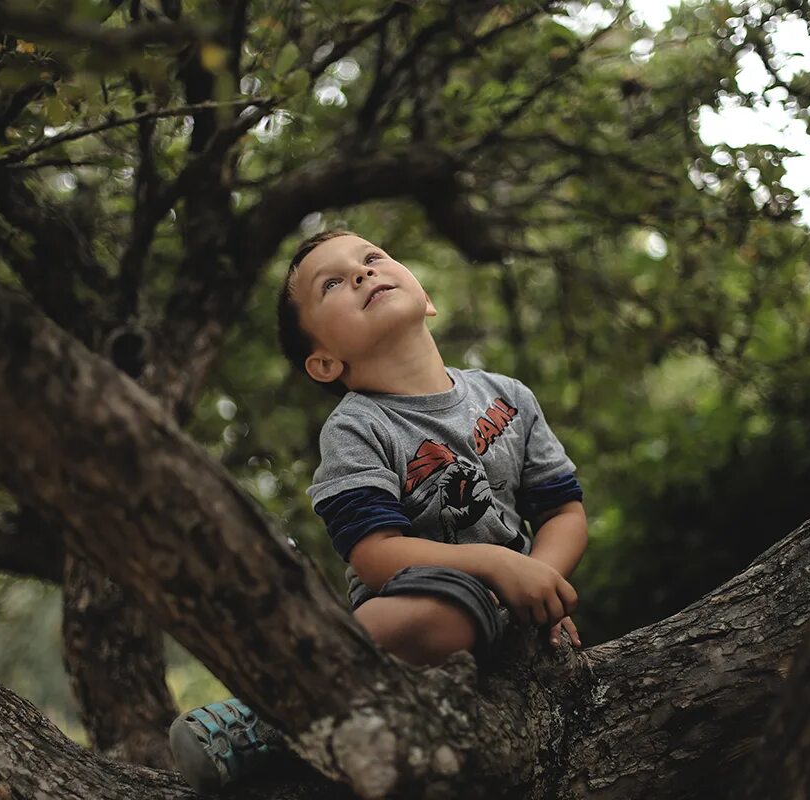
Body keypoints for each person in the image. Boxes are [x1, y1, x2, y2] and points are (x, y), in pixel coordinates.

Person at [168, 229, 587, 793]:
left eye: (372, 258)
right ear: (323, 363)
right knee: (444, 611)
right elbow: (375, 554)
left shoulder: (506, 395)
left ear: (425, 297)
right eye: (333, 283)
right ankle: (277, 712)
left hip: (509, 614)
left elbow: (562, 509)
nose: (363, 273)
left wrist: (540, 582)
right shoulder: (357, 427)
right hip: (411, 610)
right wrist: (496, 564)